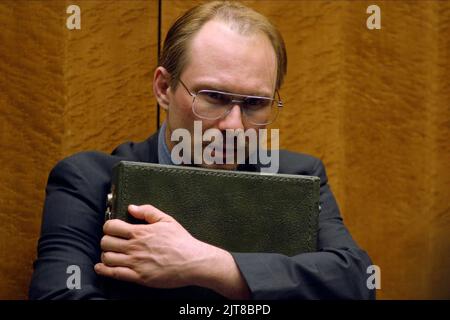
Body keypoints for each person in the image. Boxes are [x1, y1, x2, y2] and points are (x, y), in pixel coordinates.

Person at [29, 1, 375, 300]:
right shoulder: (87, 180)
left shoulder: (299, 177)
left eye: (255, 103)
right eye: (214, 98)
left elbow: (357, 281)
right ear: (164, 88)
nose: (234, 127)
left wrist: (211, 265)